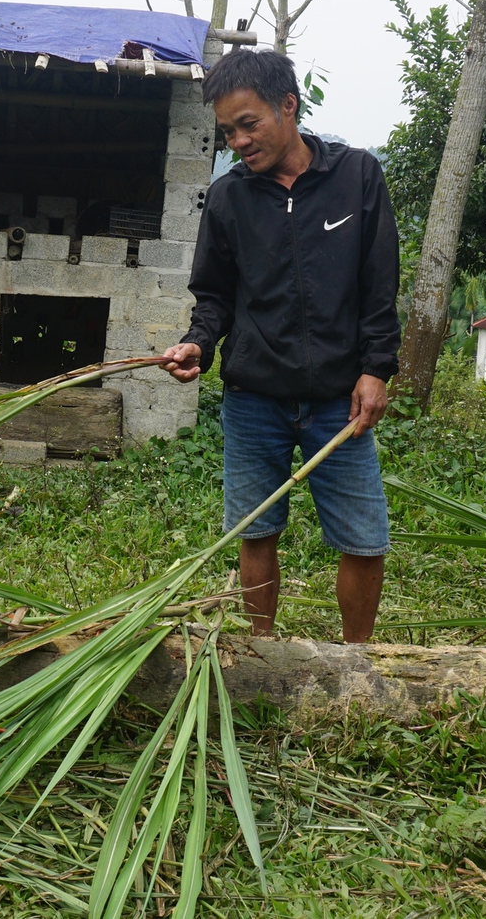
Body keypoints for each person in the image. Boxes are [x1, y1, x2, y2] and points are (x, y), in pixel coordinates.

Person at [160, 49, 400, 642]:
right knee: (256, 530)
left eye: (249, 124)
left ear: (288, 105)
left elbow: (379, 286)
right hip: (254, 400)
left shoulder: (356, 176)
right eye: (227, 132)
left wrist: (376, 369)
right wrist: (198, 343)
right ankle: (262, 653)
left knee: (364, 539)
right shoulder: (228, 198)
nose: (238, 142)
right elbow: (214, 295)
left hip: (339, 402)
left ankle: (357, 661)